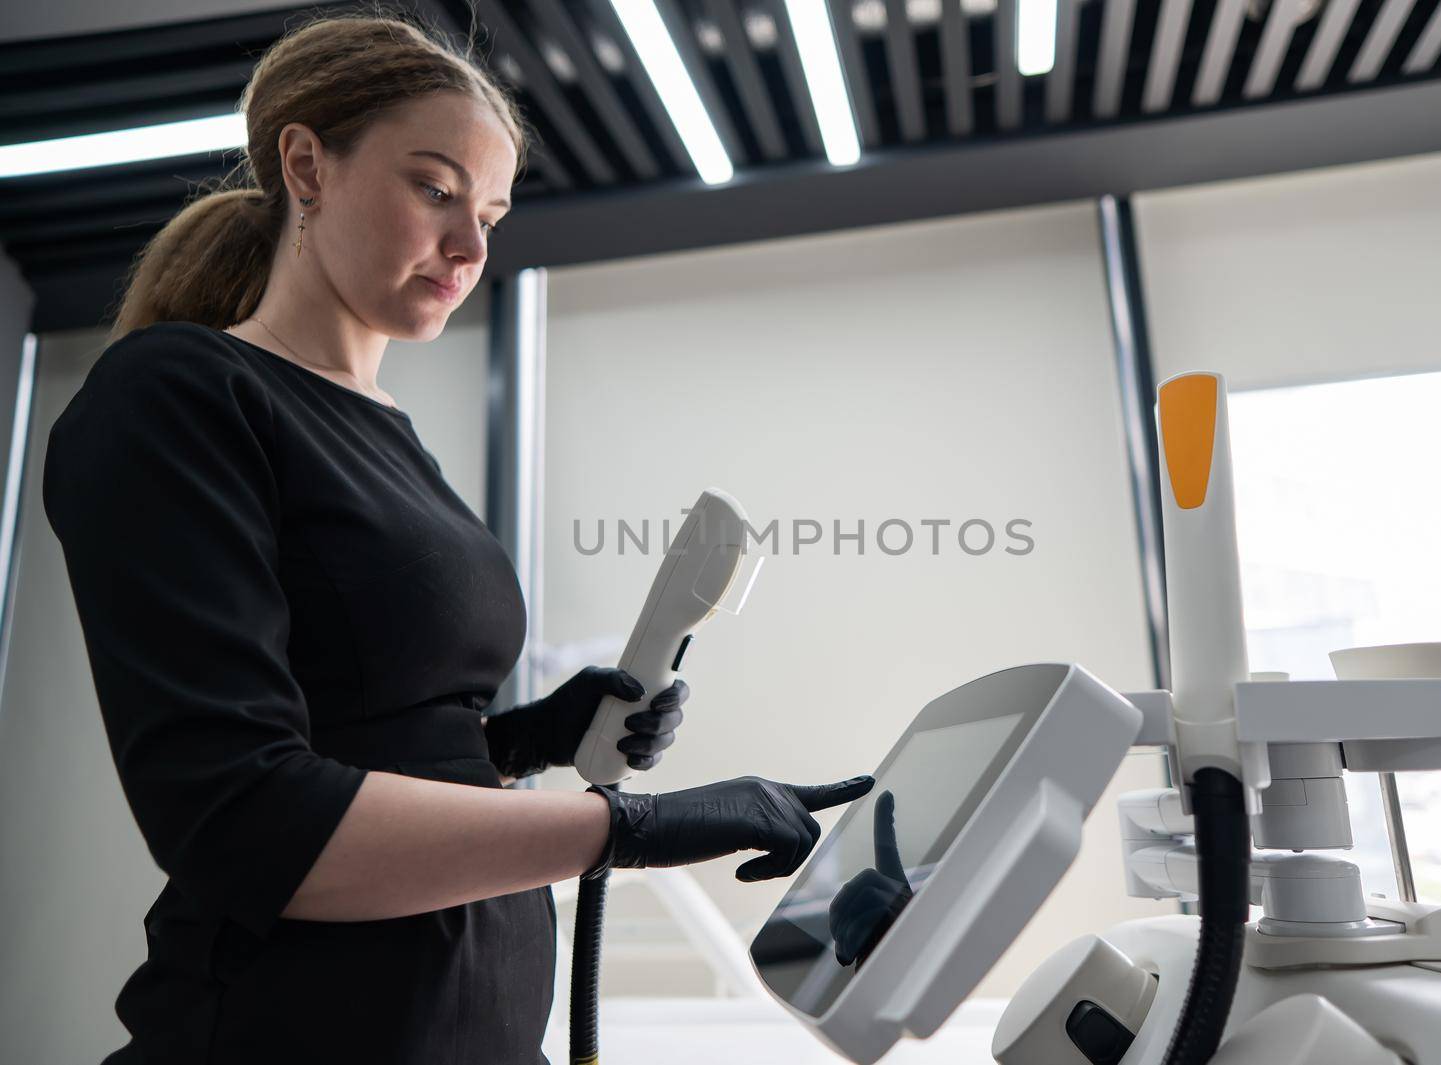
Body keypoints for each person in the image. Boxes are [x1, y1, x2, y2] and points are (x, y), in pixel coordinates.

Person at [41, 7, 873, 1063]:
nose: (471, 246)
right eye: (435, 190)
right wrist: (639, 829)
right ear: (307, 165)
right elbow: (244, 814)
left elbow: (362, 720)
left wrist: (523, 741)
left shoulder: (389, 431)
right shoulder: (178, 393)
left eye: (491, 211)